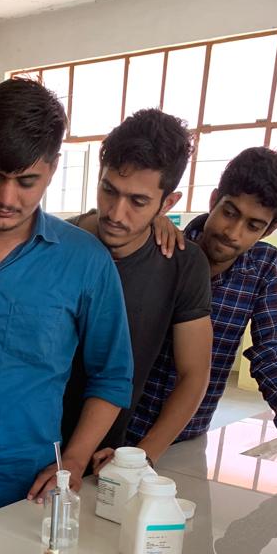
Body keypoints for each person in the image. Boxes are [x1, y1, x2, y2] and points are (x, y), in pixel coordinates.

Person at [0, 78, 133, 518]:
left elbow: (111, 376)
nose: (6, 198)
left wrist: (73, 461)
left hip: (27, 490)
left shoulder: (85, 261)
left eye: (27, 182)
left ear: (52, 168)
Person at [61, 109, 212, 470]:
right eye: (108, 190)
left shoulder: (182, 264)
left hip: (104, 456)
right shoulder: (56, 247)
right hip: (29, 447)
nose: (116, 213)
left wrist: (142, 455)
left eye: (138, 201)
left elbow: (194, 374)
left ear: (168, 203)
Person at [130, 146, 277, 443]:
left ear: (269, 230)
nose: (233, 232)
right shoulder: (161, 246)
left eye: (253, 225)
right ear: (214, 200)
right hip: (119, 426)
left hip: (188, 436)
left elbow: (273, 351)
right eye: (229, 213)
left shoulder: (265, 268)